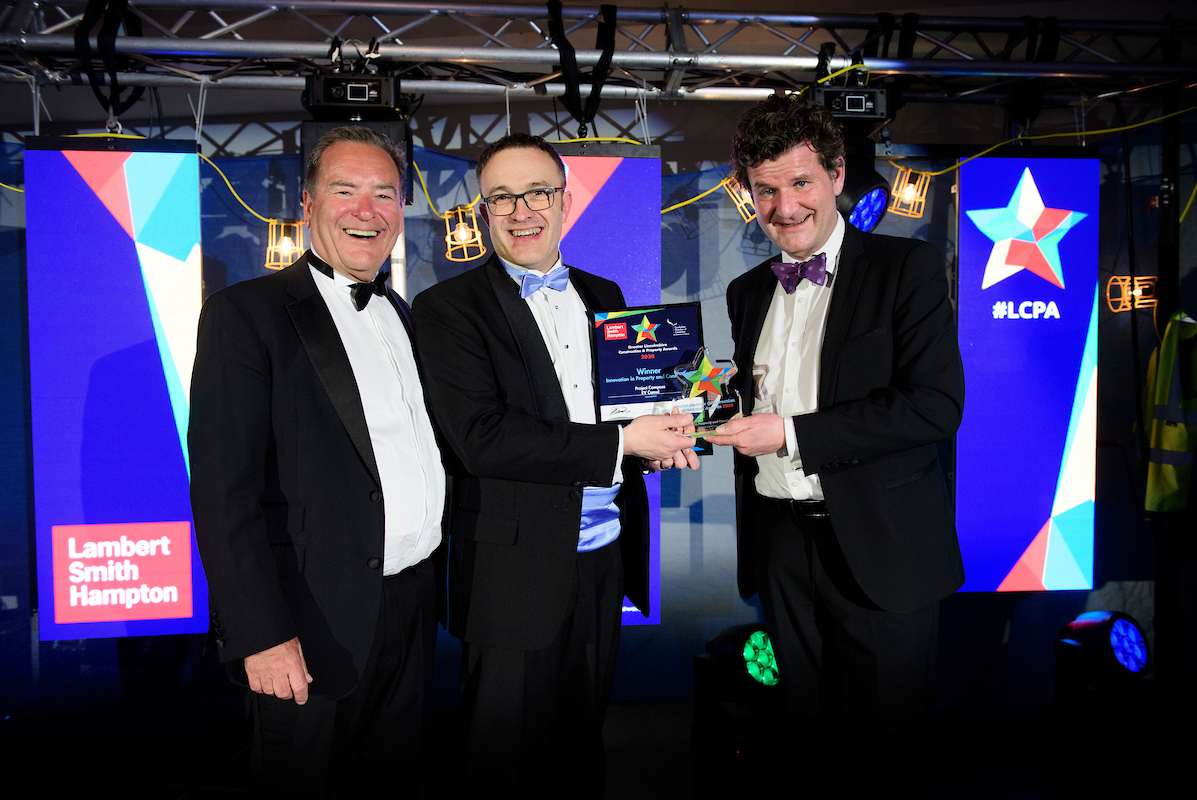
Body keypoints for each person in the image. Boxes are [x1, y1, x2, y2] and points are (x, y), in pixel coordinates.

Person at [412, 132, 697, 793]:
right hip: (509, 569)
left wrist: (681, 426)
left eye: (537, 192)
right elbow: (482, 438)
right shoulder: (447, 309)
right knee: (503, 759)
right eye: (502, 197)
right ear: (483, 212)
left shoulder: (604, 292)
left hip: (601, 559)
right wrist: (628, 444)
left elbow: (628, 407)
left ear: (566, 201)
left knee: (581, 747)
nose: (522, 210)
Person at [188, 126, 444, 797]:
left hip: (410, 609)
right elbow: (223, 492)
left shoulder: (401, 313)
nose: (367, 209)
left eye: (384, 193)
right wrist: (260, 634)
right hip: (308, 622)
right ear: (307, 204)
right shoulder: (247, 314)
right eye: (345, 190)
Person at [705, 95, 965, 735]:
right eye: (765, 191)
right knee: (803, 731)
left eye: (800, 183)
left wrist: (790, 434)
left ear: (838, 174)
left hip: (883, 543)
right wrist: (700, 410)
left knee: (881, 746)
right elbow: (755, 398)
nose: (784, 208)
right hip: (781, 543)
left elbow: (935, 405)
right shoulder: (747, 292)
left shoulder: (906, 268)